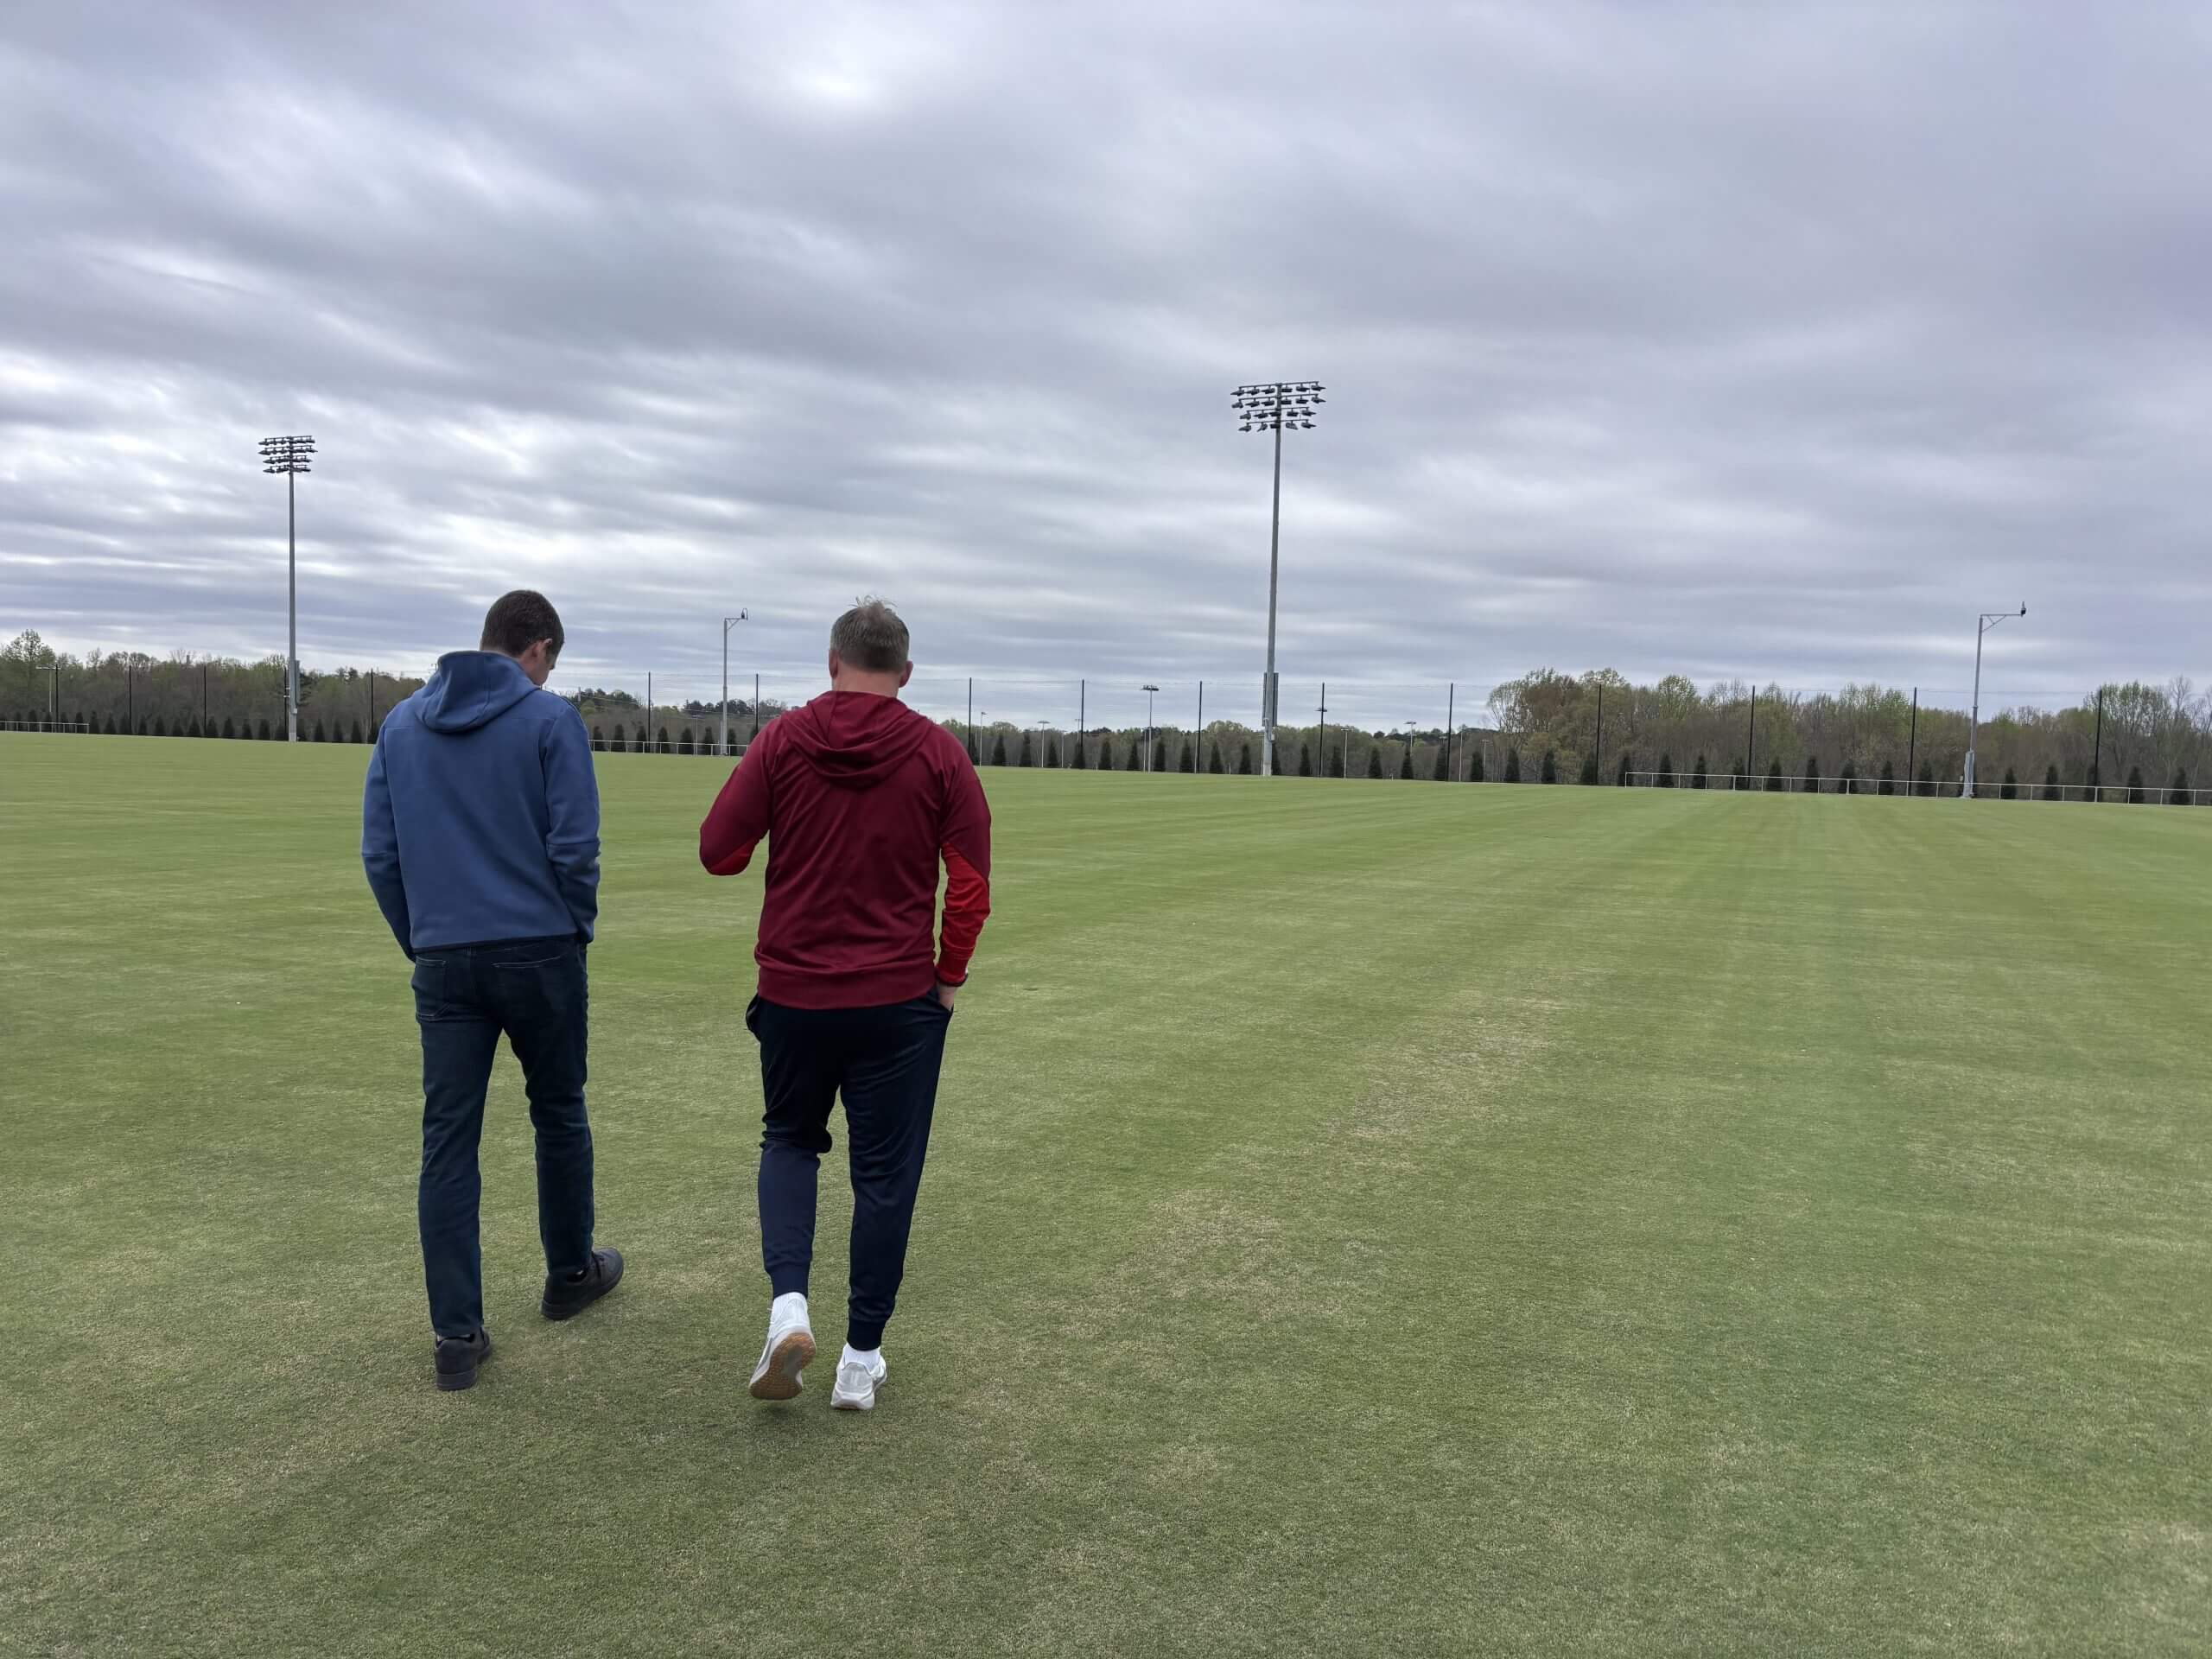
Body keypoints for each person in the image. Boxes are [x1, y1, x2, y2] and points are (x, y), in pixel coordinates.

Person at [699, 600, 991, 1410]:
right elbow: (969, 888)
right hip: (898, 998)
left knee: (790, 1141)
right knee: (885, 1177)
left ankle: (788, 1308)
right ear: (905, 673)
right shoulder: (939, 754)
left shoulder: (784, 739)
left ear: (832, 663)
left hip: (793, 992)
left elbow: (717, 852)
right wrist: (949, 977)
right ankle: (860, 1361)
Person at [362, 589, 622, 1392]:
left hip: (445, 959)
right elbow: (575, 848)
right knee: (559, 1111)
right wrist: (572, 926)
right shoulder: (551, 721)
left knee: (448, 1143)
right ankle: (569, 1274)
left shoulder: (401, 725)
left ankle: (456, 1335)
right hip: (539, 951)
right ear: (538, 649)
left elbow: (381, 854)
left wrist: (426, 938)